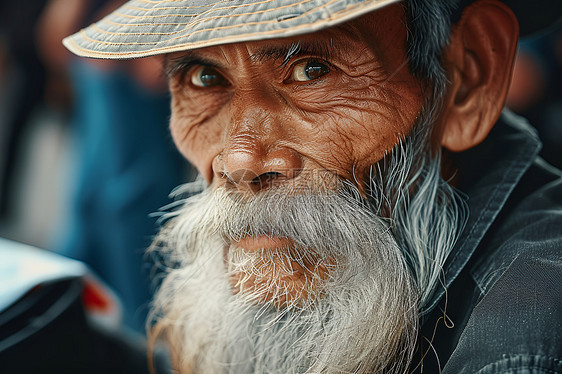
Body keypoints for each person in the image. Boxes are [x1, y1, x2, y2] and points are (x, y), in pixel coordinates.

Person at [63, 0, 562, 373]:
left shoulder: (517, 350)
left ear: (466, 79)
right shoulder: (366, 266)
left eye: (311, 71)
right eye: (204, 77)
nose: (240, 160)